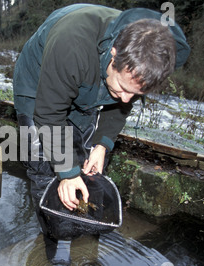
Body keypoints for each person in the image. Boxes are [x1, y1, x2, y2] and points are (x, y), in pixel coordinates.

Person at [13, 4, 190, 212]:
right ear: (114, 55)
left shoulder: (141, 61)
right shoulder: (71, 45)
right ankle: (51, 233)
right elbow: (49, 114)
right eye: (124, 88)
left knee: (82, 156)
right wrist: (68, 173)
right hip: (39, 83)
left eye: (136, 95)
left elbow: (123, 100)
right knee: (42, 162)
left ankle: (77, 219)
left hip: (90, 78)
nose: (126, 100)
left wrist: (103, 144)